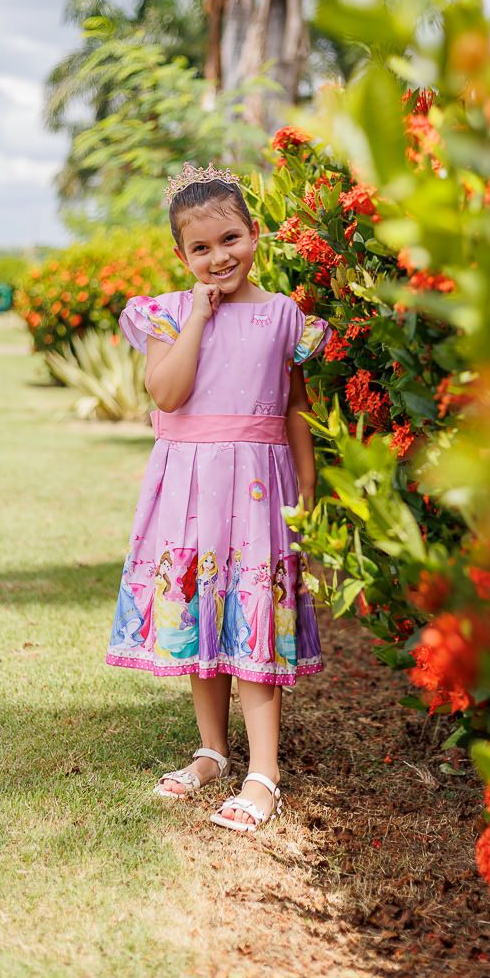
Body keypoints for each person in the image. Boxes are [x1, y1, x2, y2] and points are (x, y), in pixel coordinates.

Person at [106, 161, 332, 832]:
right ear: (181, 256)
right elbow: (167, 394)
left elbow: (296, 407)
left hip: (260, 488)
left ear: (254, 234)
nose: (217, 257)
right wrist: (200, 317)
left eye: (229, 239)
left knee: (253, 616)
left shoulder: (284, 317)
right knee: (202, 614)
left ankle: (265, 771)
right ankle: (212, 750)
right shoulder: (165, 316)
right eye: (200, 249)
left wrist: (308, 485)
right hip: (190, 487)